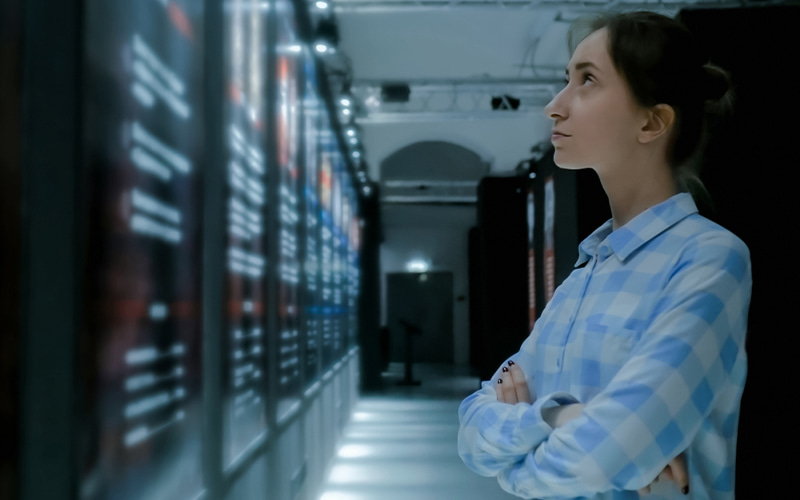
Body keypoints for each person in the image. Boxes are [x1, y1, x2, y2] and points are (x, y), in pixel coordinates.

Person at [457, 10, 750, 500]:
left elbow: (601, 457)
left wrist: (517, 471)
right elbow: (472, 430)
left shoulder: (709, 259)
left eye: (587, 80)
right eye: (565, 80)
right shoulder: (588, 269)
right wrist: (556, 413)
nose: (554, 106)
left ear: (652, 121)